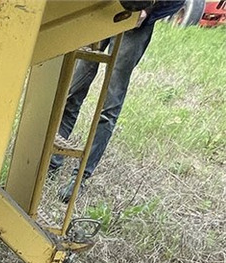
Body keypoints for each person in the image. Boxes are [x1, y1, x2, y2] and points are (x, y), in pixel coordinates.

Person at [50, 1, 183, 202]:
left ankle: (80, 178)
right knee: (73, 90)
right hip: (104, 13)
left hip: (135, 25)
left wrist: (148, 13)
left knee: (109, 106)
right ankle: (52, 162)